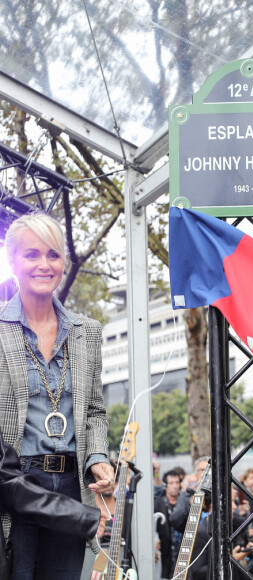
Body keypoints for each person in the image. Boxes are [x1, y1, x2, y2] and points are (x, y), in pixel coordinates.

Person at [0, 212, 114, 580]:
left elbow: (95, 410)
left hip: (69, 489)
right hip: (16, 488)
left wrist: (98, 456)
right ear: (12, 260)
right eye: (31, 255)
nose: (44, 264)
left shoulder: (88, 332)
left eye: (53, 254)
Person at [0, 428, 105, 580]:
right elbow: (6, 480)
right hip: (22, 494)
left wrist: (97, 456)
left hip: (70, 481)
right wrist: (80, 516)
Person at [155, 469, 190, 579]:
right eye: (171, 483)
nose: (175, 486)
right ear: (166, 486)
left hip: (184, 556)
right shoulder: (158, 504)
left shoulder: (184, 502)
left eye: (177, 483)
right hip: (165, 557)